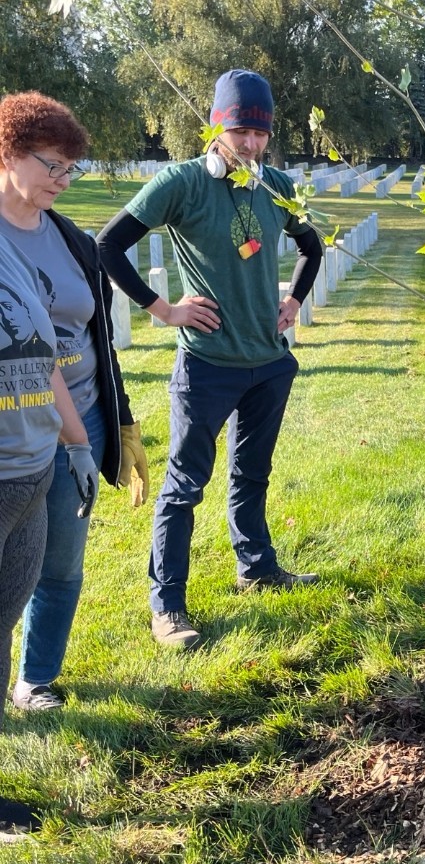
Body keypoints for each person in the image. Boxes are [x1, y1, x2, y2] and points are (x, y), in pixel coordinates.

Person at [98, 69, 323, 650]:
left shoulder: (275, 184)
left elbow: (313, 244)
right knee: (184, 485)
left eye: (260, 133)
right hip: (207, 366)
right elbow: (108, 244)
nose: (250, 144)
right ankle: (167, 606)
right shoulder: (183, 183)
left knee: (253, 473)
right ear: (218, 125)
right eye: (240, 130)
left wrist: (294, 299)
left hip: (269, 362)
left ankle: (257, 567)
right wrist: (163, 309)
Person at [0, 91, 148, 713]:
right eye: (49, 164)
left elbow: (96, 342)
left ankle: (36, 679)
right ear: (8, 152)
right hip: (13, 428)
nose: (61, 179)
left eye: (70, 167)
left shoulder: (73, 242)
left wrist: (113, 426)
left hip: (77, 414)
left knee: (57, 563)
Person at [1, 231, 96, 830]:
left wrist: (79, 442)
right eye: (51, 165)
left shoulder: (11, 249)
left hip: (31, 472)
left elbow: (43, 355)